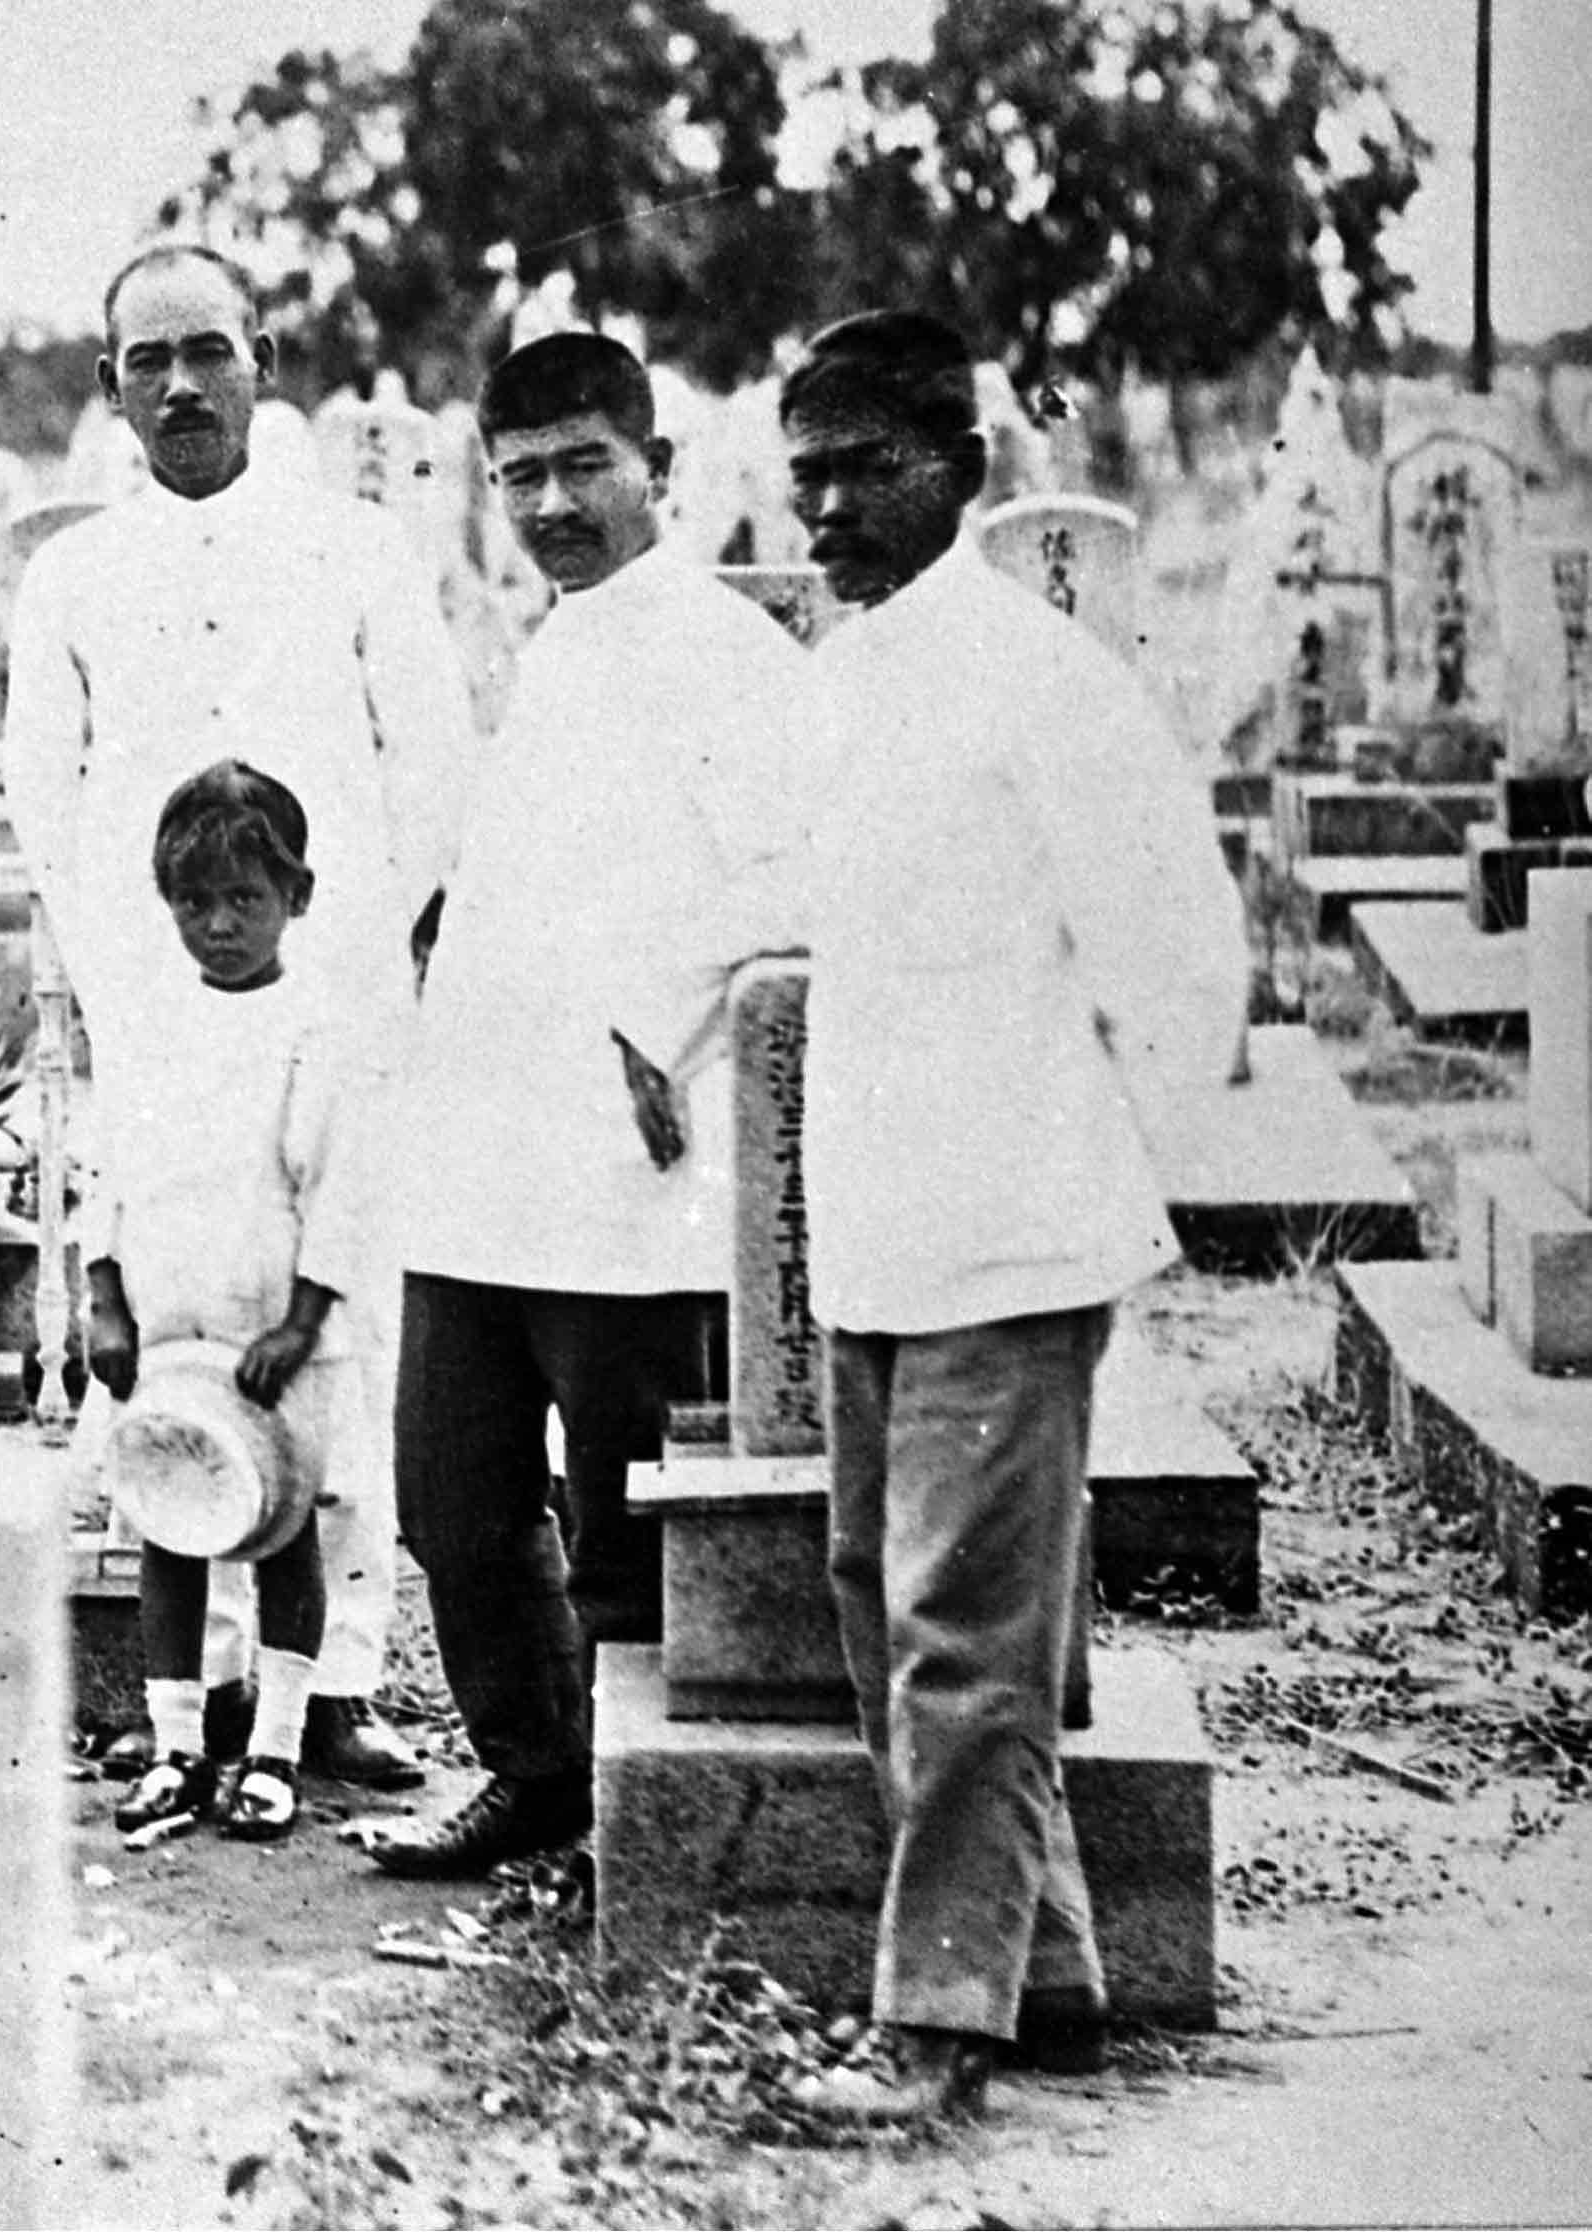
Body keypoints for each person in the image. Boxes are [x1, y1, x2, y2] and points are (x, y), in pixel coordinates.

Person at [771, 311, 1245, 2122]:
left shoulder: (1044, 687)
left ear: (961, 471)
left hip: (1017, 1228)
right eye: (803, 472)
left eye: (860, 469)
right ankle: (1041, 1970)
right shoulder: (848, 678)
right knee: (878, 1599)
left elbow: (1179, 963)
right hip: (884, 1227)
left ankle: (935, 2027)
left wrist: (1093, 1156)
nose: (823, 506)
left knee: (965, 1639)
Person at [6, 242, 479, 1790]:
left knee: (334, 1347)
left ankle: (331, 1686)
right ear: (109, 387)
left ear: (264, 359)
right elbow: (43, 788)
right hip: (158, 1013)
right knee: (176, 1351)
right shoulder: (72, 573)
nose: (182, 386)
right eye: (148, 362)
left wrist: (356, 955)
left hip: (331, 999)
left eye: (209, 351)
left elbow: (428, 759)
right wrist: (125, 978)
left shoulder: (353, 550)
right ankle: (190, 1704)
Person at [355, 334, 815, 1878]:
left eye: (580, 468)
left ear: (657, 472)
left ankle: (649, 1817)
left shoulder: (726, 652)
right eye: (518, 476)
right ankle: (534, 1766)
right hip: (486, 1155)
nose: (550, 502)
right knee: (449, 1490)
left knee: (621, 1512)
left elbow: (783, 889)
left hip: (632, 1162)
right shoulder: (550, 646)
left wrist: (650, 1034)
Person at [87, 761, 353, 1845]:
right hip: (171, 1322)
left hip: (273, 1330)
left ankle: (277, 1748)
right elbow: (108, 1167)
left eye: (245, 899)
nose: (218, 924)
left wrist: (300, 1321)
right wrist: (104, 1296)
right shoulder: (148, 1020)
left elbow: (339, 1181)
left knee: (279, 1526)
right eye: (195, 902)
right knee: (169, 1521)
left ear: (298, 896)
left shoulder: (314, 1025)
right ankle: (178, 1742)